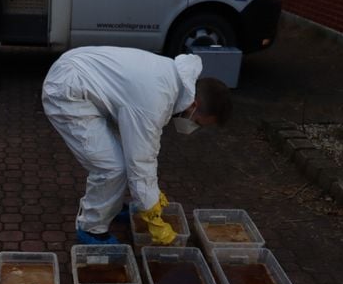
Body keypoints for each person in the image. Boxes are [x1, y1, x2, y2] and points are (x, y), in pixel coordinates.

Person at [41, 46, 232, 245]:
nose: (194, 127)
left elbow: (143, 154)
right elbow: (141, 161)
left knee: (121, 157)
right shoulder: (155, 101)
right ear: (194, 105)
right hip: (67, 91)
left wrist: (151, 197)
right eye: (198, 123)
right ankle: (91, 229)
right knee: (111, 167)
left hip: (81, 75)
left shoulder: (170, 79)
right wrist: (150, 208)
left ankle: (109, 206)